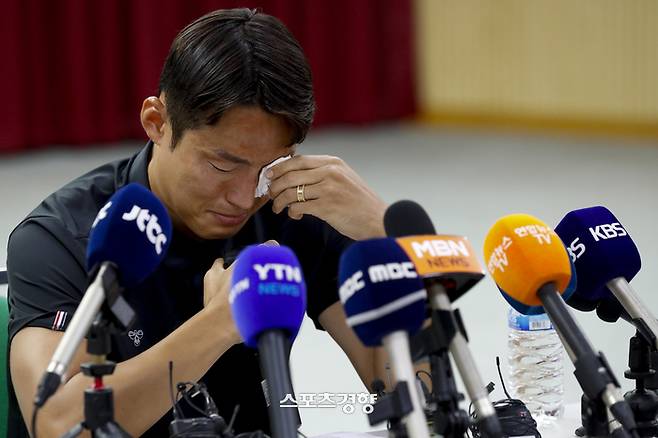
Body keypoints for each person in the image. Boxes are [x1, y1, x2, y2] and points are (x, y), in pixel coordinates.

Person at [6, 8, 394, 437]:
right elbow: (58, 425)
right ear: (156, 121)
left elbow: (413, 393)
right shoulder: (61, 237)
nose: (246, 197)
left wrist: (387, 235)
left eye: (270, 167)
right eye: (222, 165)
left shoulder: (288, 208)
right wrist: (220, 324)